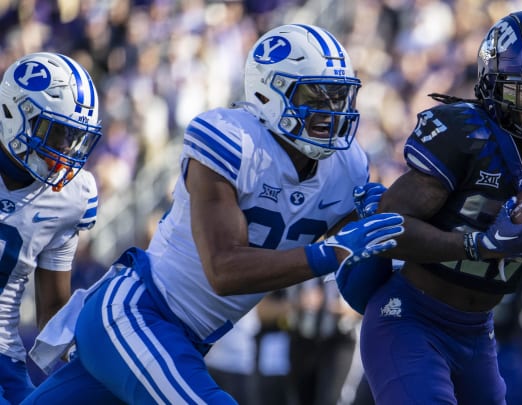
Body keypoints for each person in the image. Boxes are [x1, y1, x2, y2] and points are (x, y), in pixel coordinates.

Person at [21, 24, 403, 404]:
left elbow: (358, 288)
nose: (330, 113)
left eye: (338, 98)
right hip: (137, 311)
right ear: (267, 91)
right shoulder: (232, 139)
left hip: (179, 338)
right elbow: (224, 270)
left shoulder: (347, 167)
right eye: (315, 97)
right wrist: (336, 251)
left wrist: (373, 236)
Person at [342, 10, 522, 404]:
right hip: (410, 319)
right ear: (495, 83)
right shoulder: (465, 133)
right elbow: (386, 228)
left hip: (478, 332)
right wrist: (478, 246)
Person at [0, 52, 102, 404]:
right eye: (56, 133)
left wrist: (100, 357)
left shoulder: (71, 197)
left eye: (73, 138)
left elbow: (52, 315)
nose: (63, 152)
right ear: (15, 114)